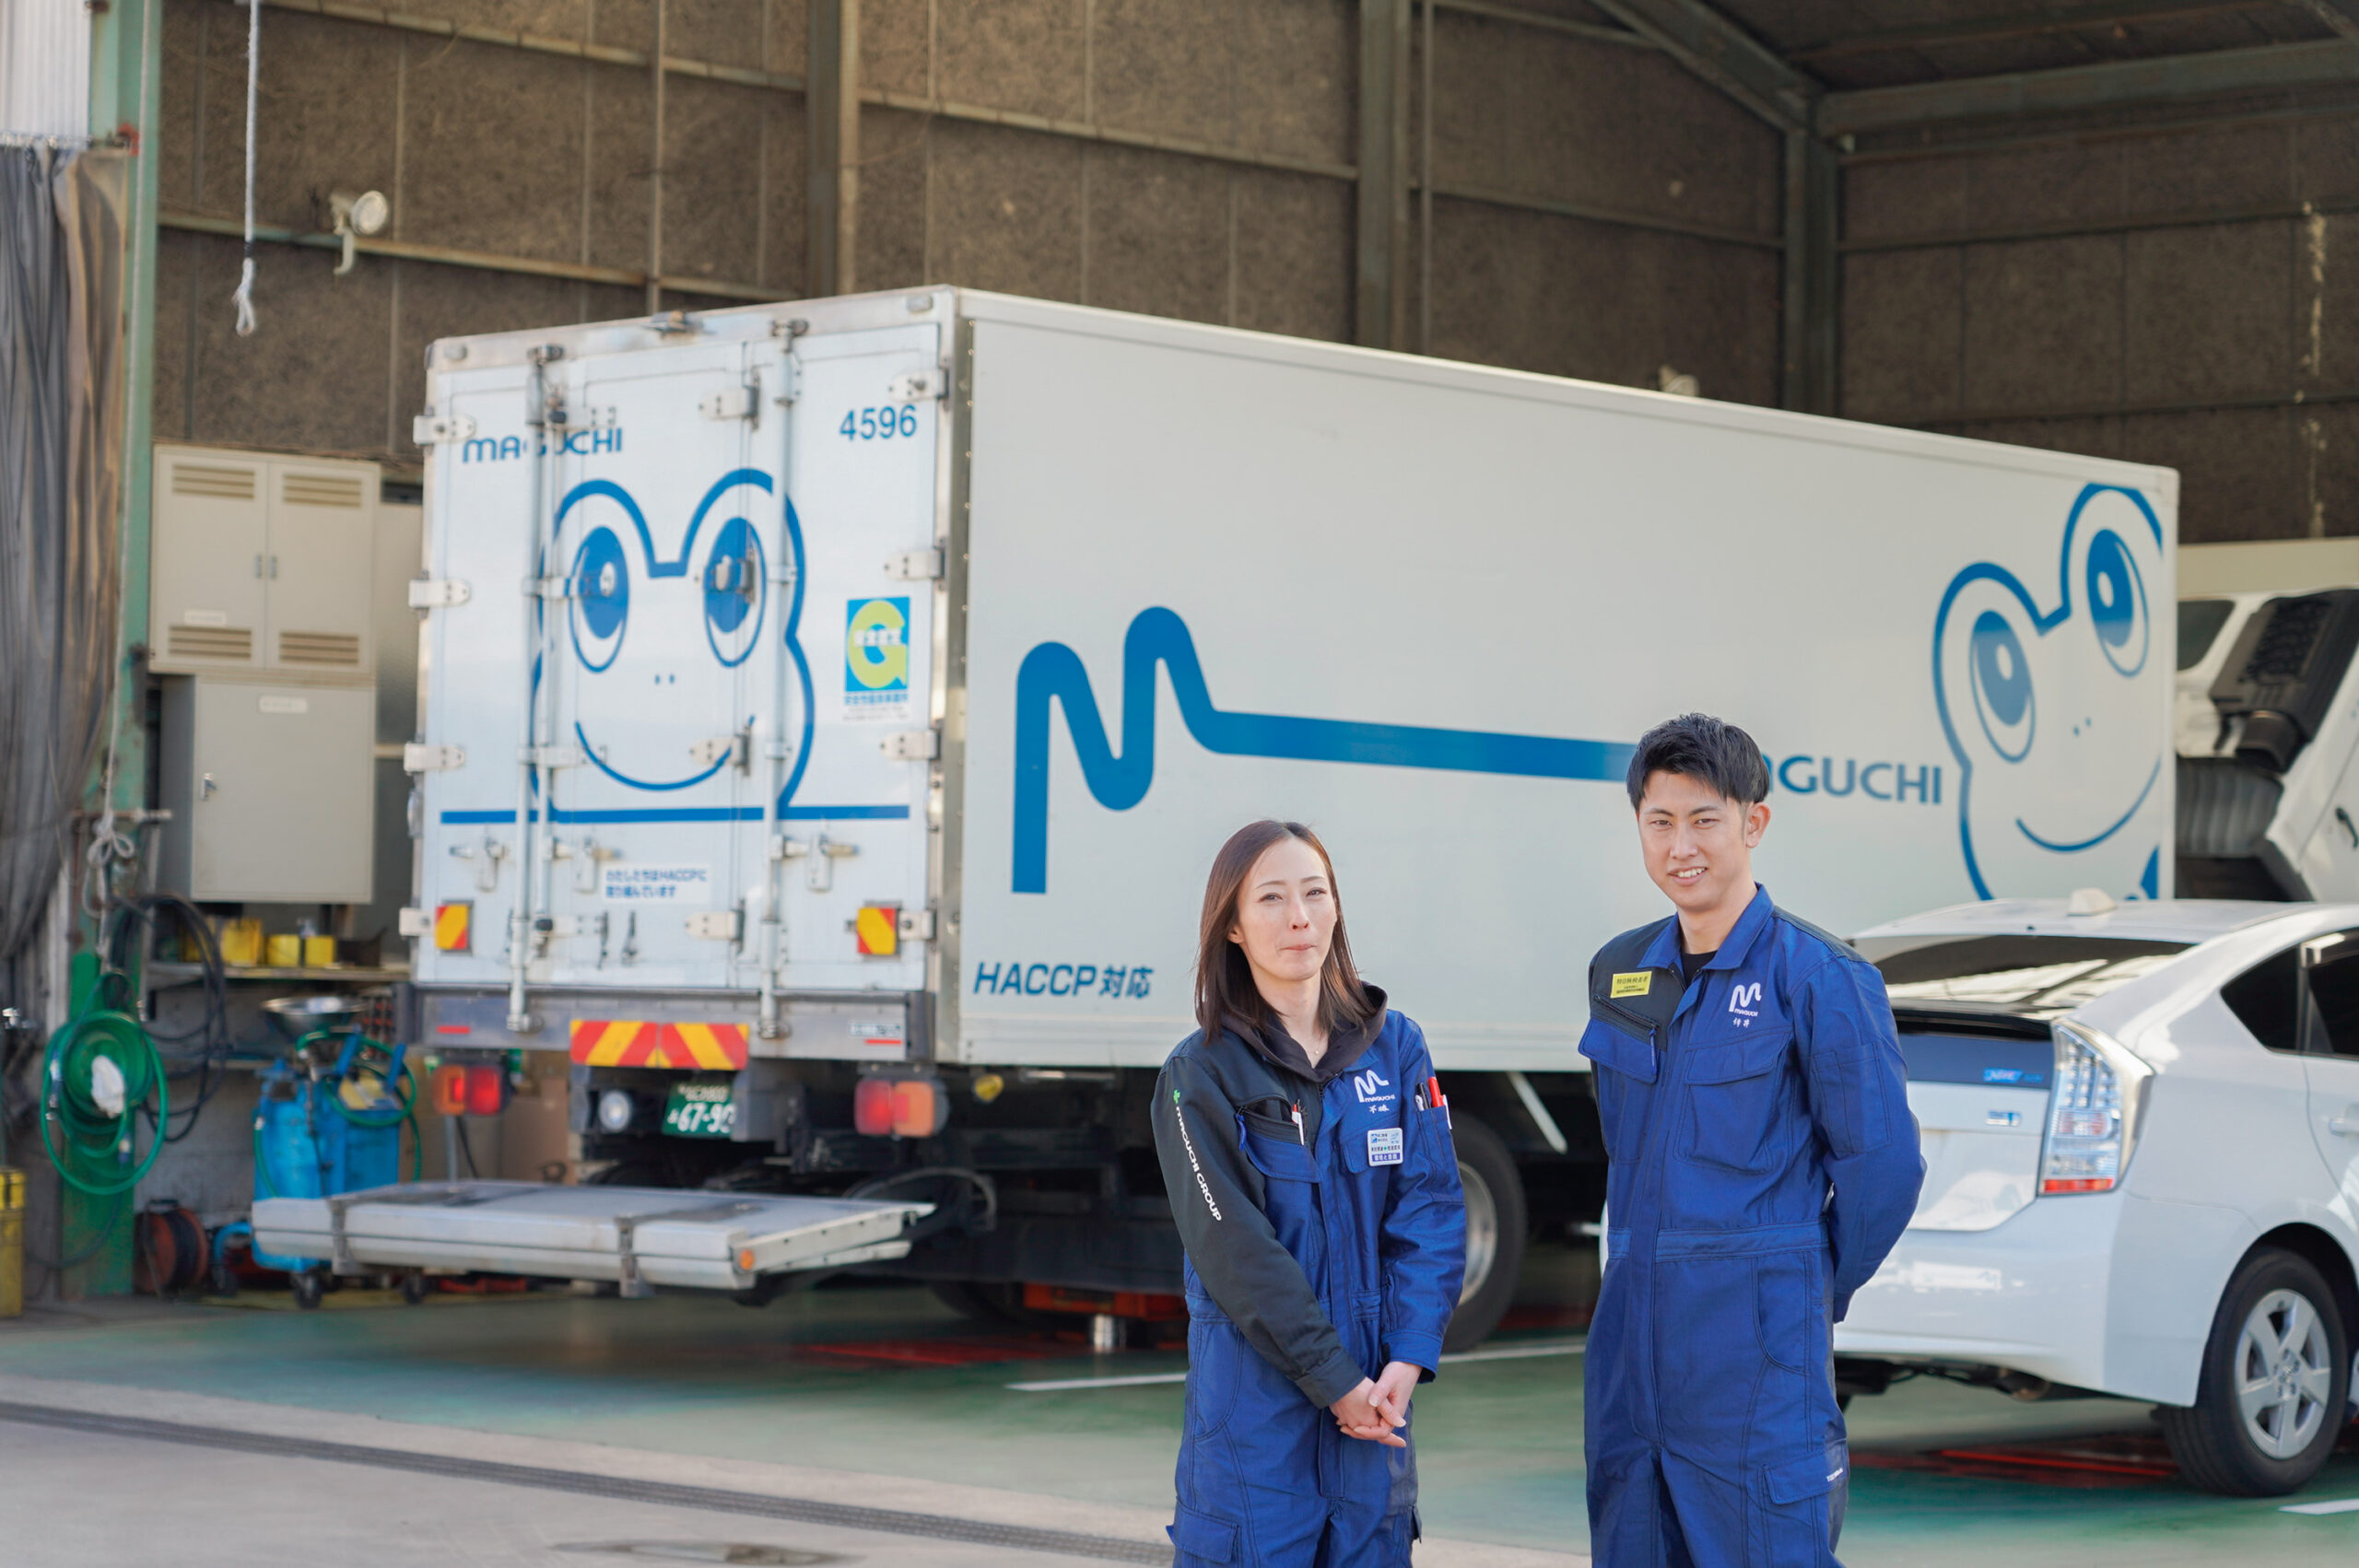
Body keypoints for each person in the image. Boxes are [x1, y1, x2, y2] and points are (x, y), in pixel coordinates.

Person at [1580, 714, 1922, 1568]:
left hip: (1756, 1358)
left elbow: (1883, 1170)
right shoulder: (1620, 971)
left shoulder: (1821, 978)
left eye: (1705, 820)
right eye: (1660, 822)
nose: (1681, 846)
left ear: (1753, 823)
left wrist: (1801, 1284)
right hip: (1631, 1345)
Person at [1153, 819, 1466, 1567]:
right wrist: (1335, 1382)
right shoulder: (1200, 1075)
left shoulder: (1396, 1048)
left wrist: (1407, 1359)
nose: (1299, 916)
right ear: (1232, 925)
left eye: (1315, 893)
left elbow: (1430, 1210)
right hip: (1256, 1433)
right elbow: (1237, 1255)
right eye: (1271, 897)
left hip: (1375, 1418)